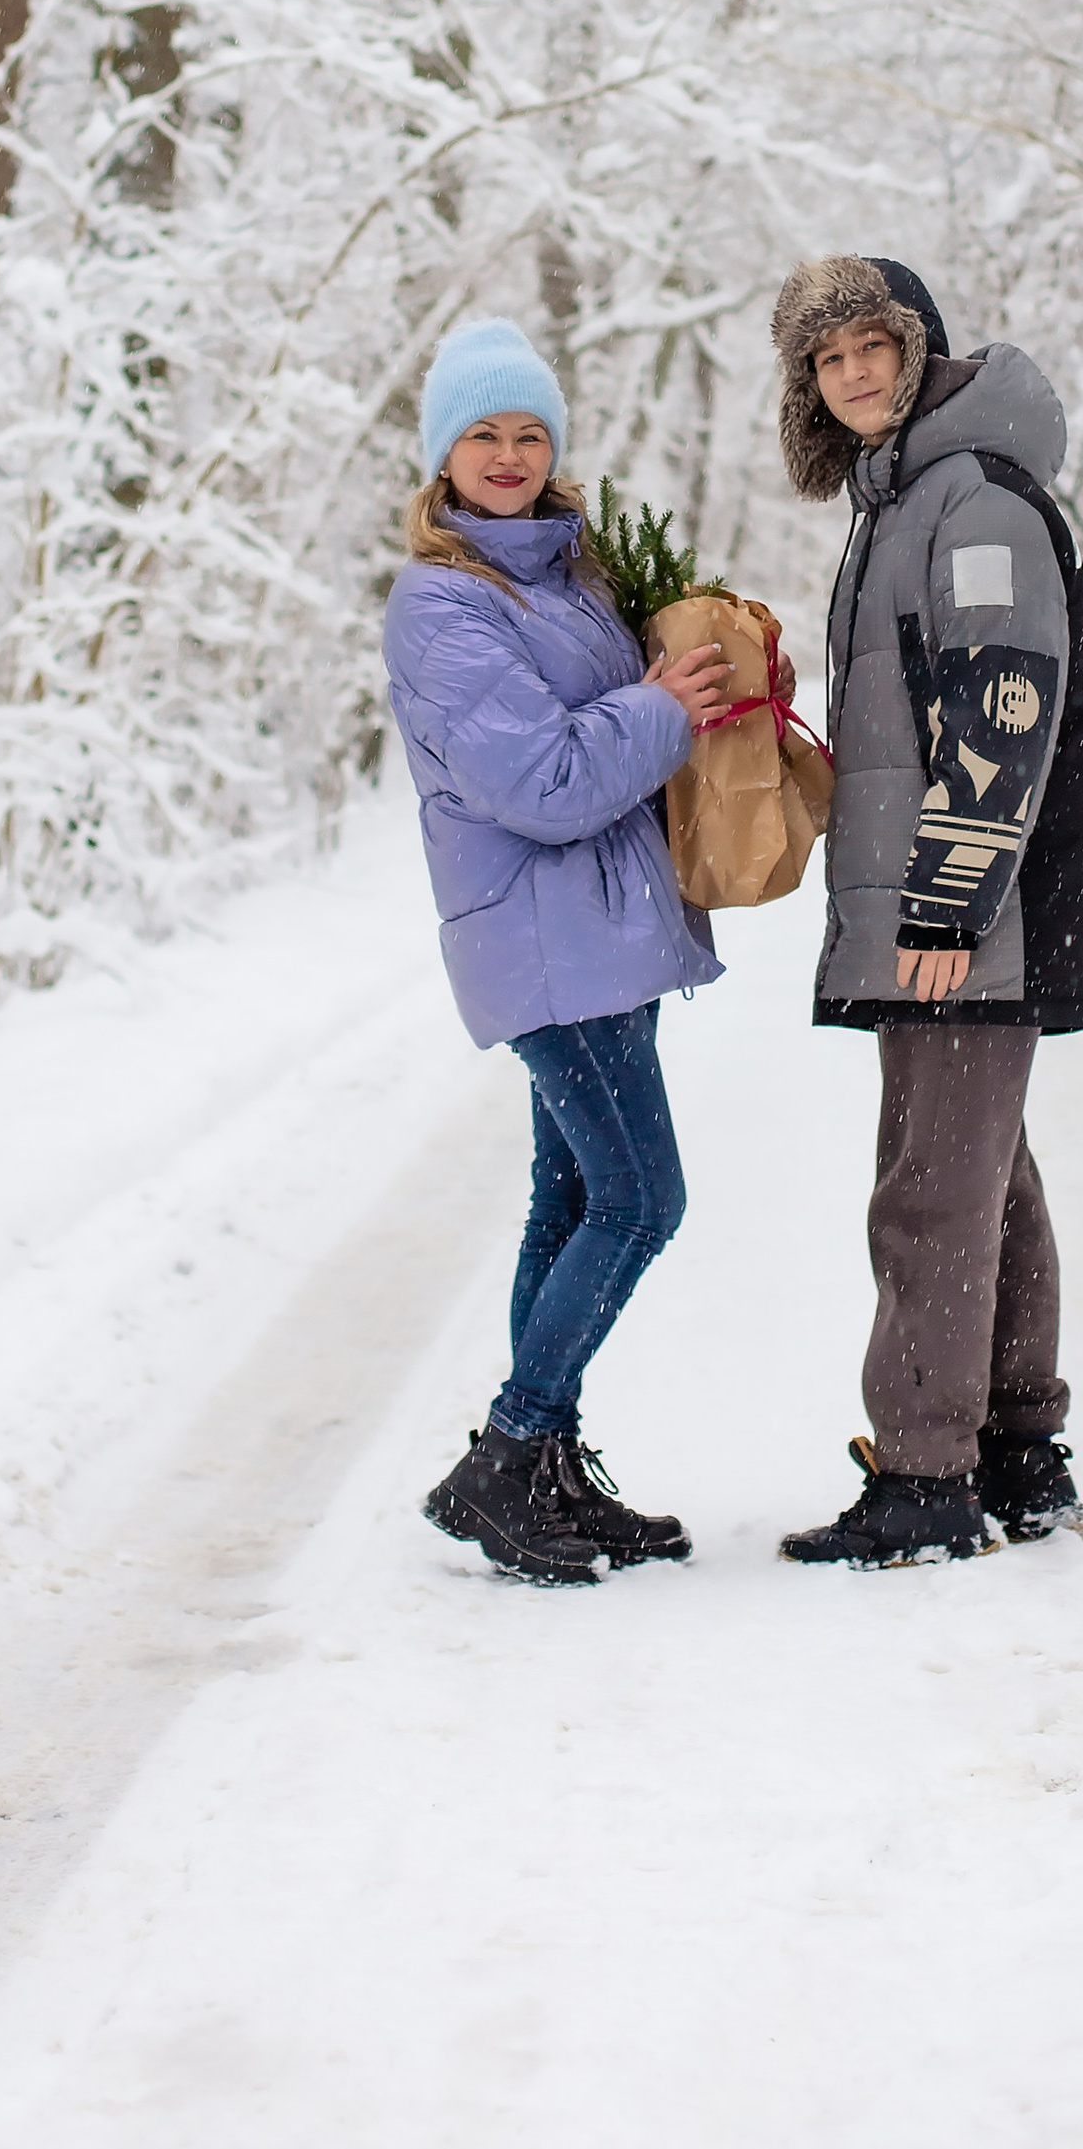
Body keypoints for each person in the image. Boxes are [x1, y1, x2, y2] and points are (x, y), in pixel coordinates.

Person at [769, 254, 1083, 1568]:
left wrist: (945, 908)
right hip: (962, 920)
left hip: (970, 924)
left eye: (873, 344)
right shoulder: (907, 500)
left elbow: (1003, 710)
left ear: (919, 350)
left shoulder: (969, 505)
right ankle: (1019, 1454)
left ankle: (926, 1477)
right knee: (988, 1183)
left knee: (929, 1191)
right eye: (829, 357)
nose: (855, 372)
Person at [384, 316, 734, 1586]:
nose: (510, 453)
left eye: (530, 432)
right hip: (544, 944)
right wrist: (660, 707)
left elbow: (632, 714)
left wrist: (709, 681)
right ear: (441, 457)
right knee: (643, 1198)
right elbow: (540, 776)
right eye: (483, 432)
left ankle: (542, 1471)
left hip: (600, 933)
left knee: (575, 1196)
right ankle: (510, 1447)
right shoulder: (440, 603)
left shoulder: (568, 576)